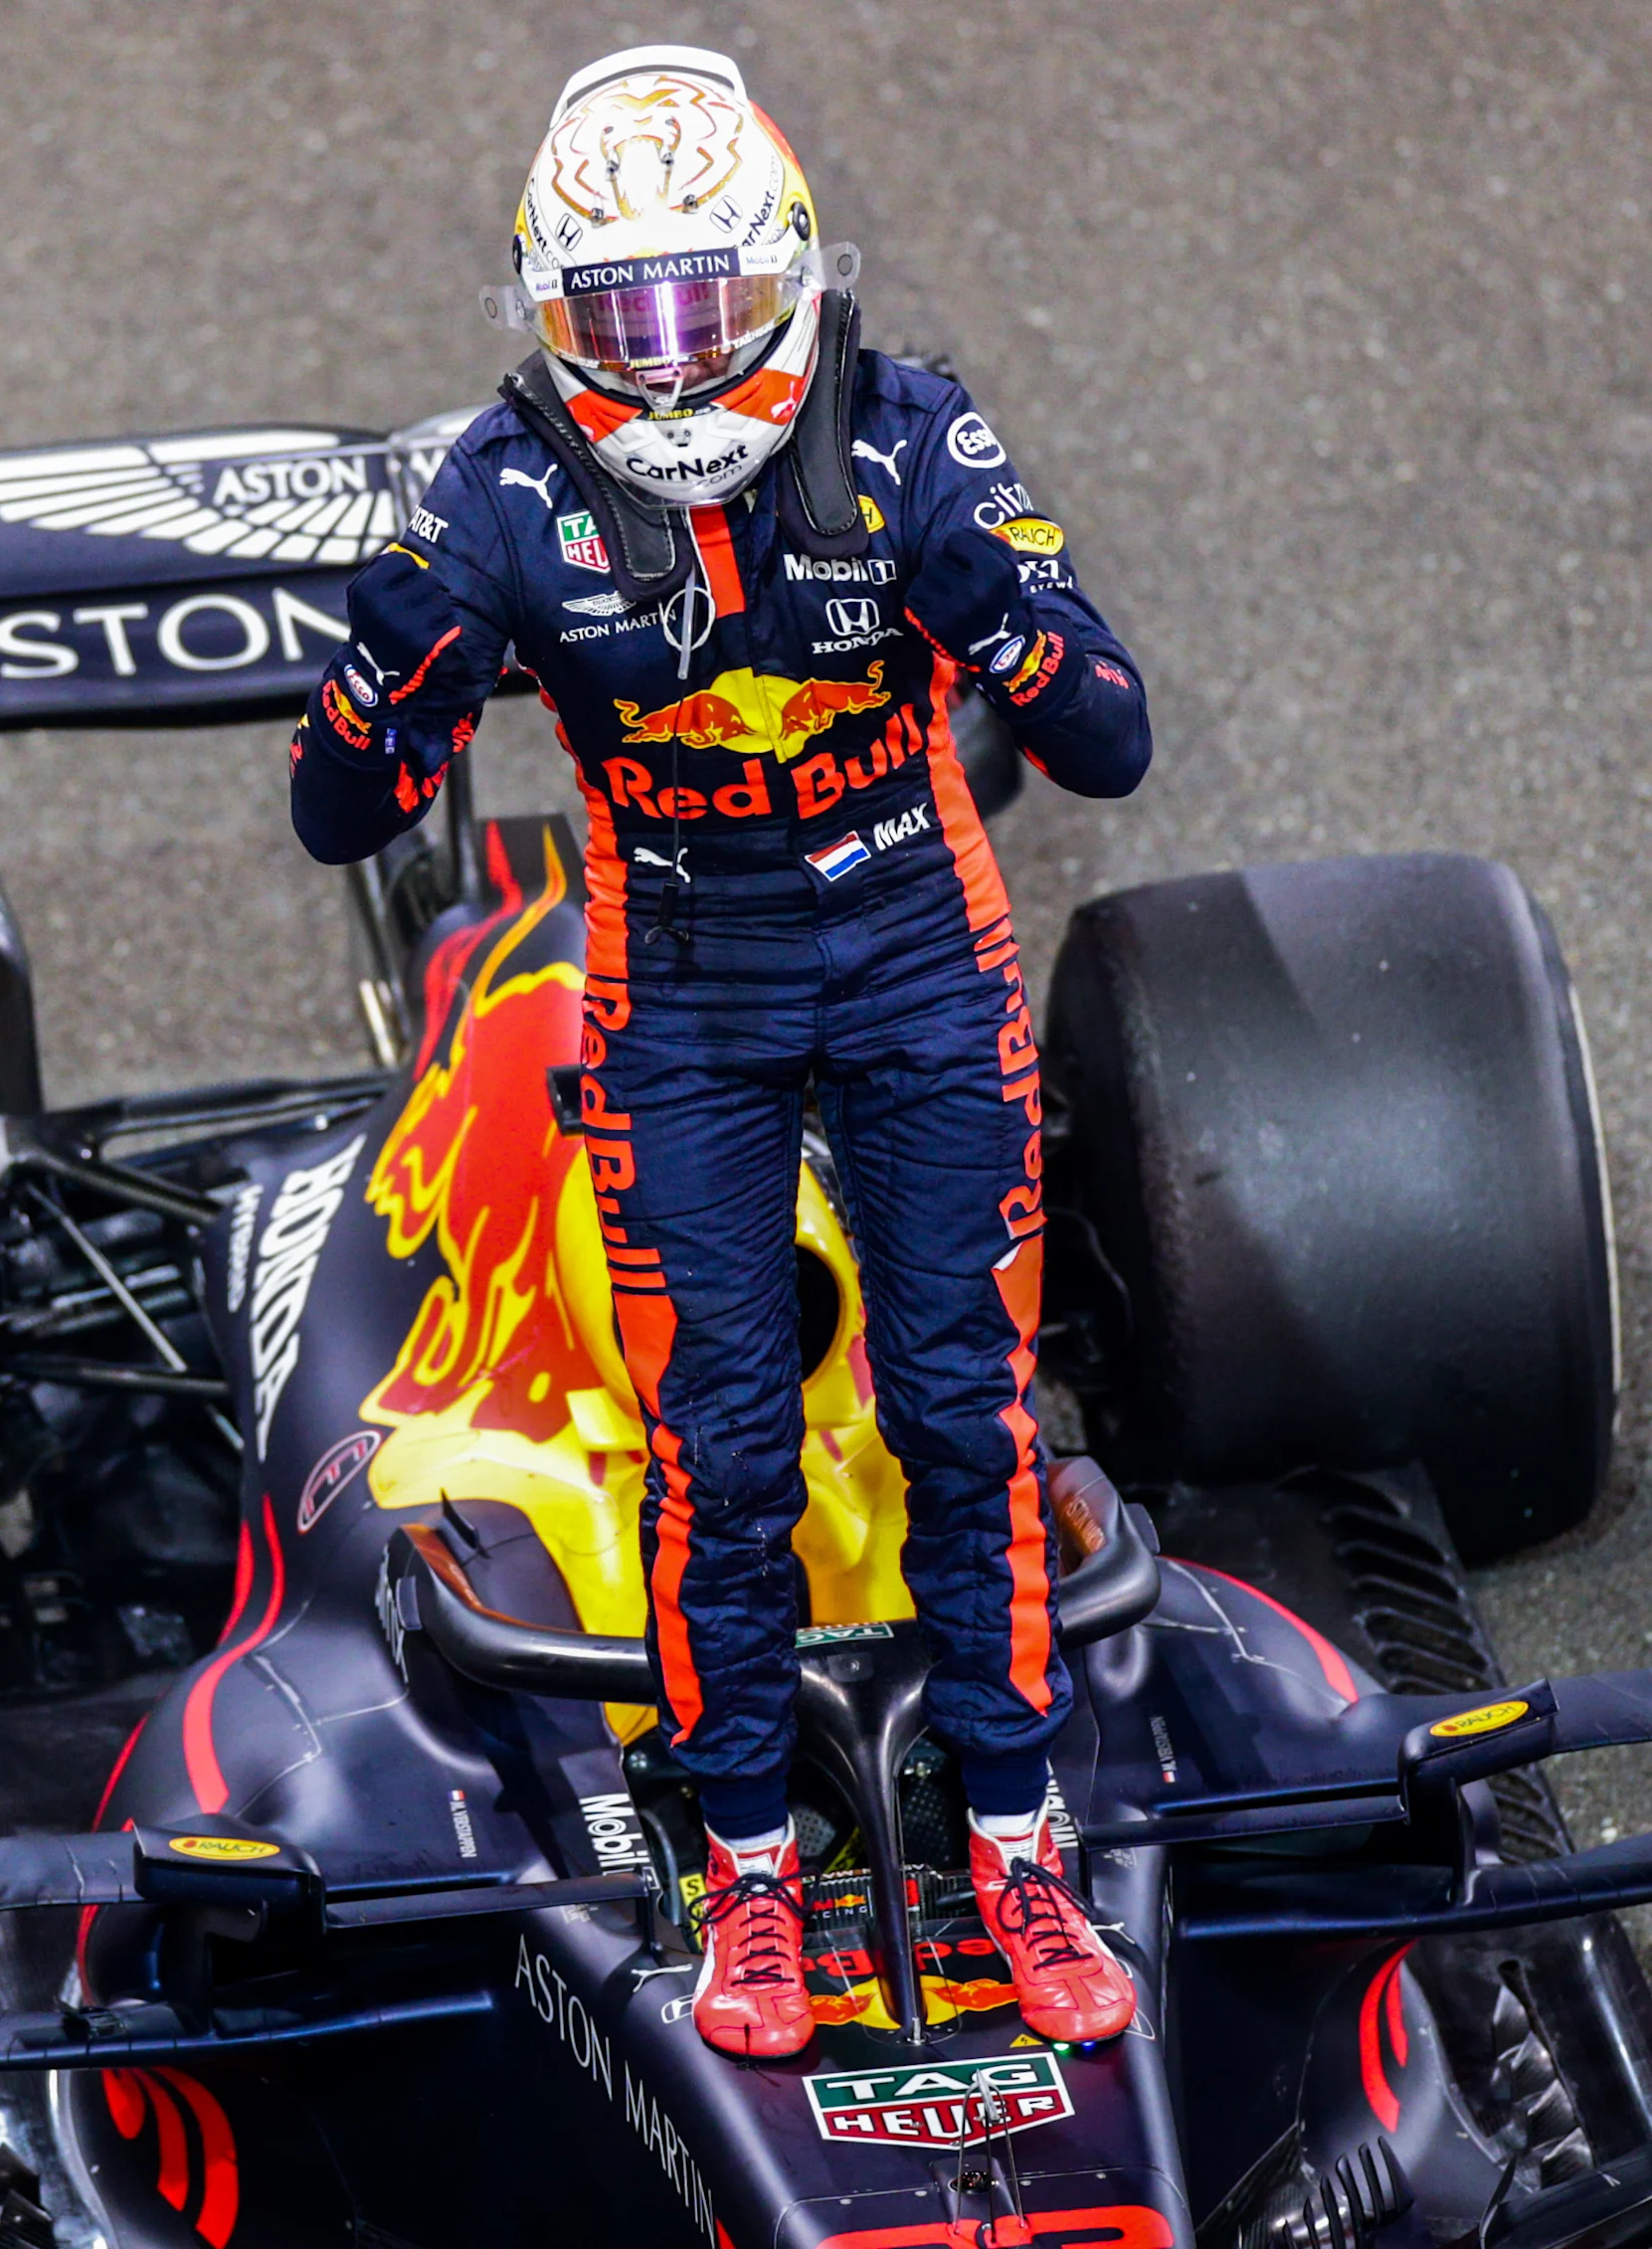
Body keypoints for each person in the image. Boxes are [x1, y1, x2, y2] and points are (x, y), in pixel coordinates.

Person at [286, 45, 1150, 2061]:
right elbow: (336, 818)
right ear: (546, 308)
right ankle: (747, 1869)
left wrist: (1010, 623)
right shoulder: (496, 492)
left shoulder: (915, 435)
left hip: (918, 956)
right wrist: (384, 679)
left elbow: (1105, 732)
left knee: (966, 1410)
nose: (663, 366)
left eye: (694, 305)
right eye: (614, 316)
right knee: (722, 1450)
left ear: (779, 279)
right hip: (672, 981)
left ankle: (1018, 1846)